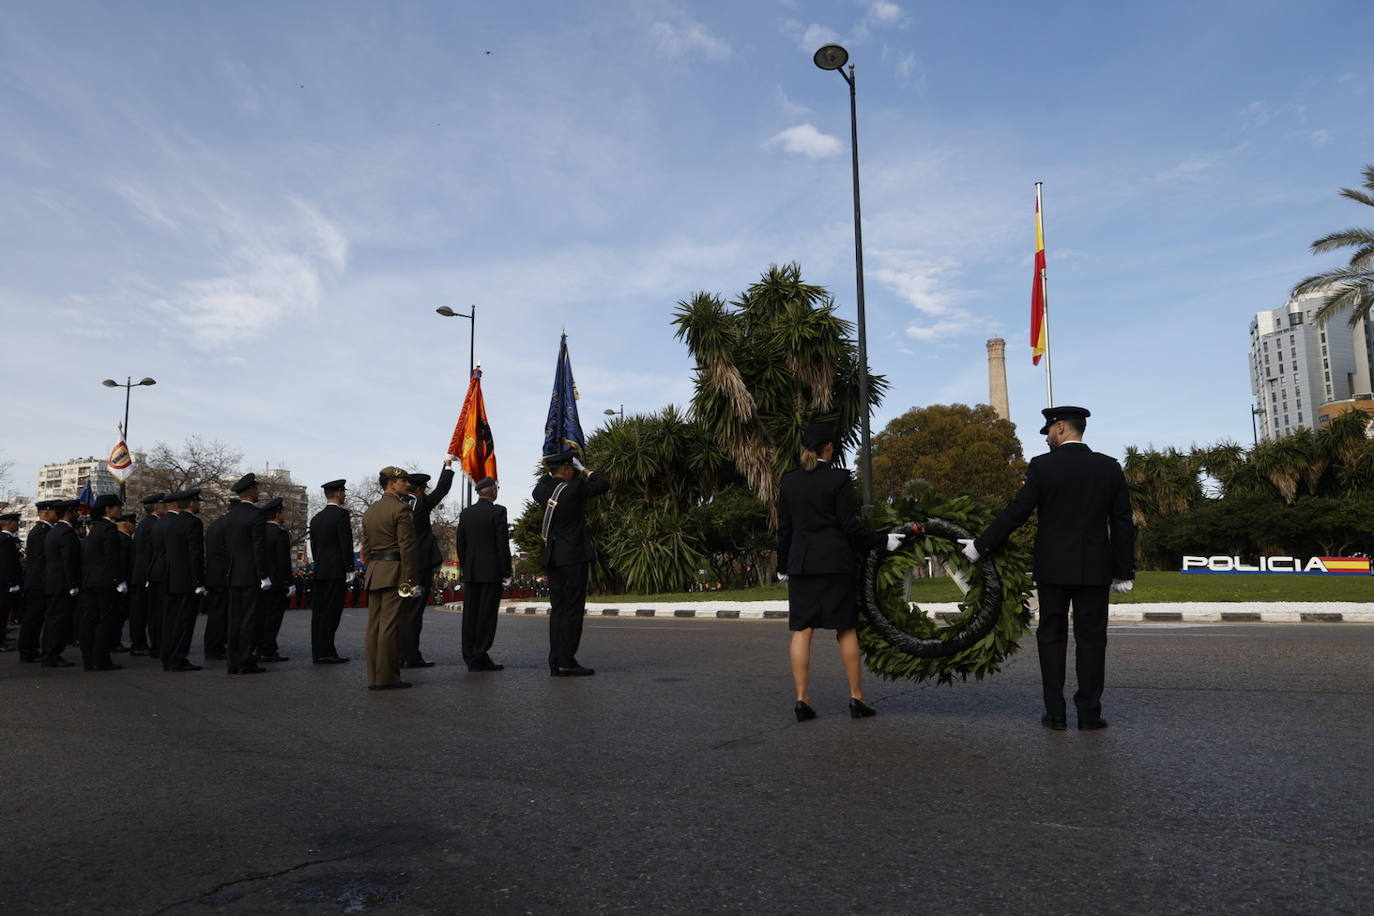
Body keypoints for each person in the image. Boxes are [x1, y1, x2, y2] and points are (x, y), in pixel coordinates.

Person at [965, 406, 1136, 732]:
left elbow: (1017, 512)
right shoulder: (1108, 467)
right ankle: (1088, 714)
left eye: (1048, 432)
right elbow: (1123, 523)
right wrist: (1124, 570)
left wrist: (981, 544)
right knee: (1092, 641)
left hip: (1053, 569)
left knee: (1051, 639)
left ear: (1059, 428)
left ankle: (1055, 714)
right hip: (1094, 569)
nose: (1047, 439)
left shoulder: (1043, 467)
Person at [777, 424, 902, 722]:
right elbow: (849, 525)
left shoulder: (789, 481)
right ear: (828, 449)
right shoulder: (839, 478)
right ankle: (857, 698)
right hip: (835, 562)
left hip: (802, 565)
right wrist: (883, 540)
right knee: (846, 628)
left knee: (802, 629)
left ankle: (801, 700)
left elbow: (785, 529)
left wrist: (783, 565)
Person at [532, 452, 609, 677]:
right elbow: (602, 484)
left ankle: (555, 659)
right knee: (573, 610)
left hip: (553, 557)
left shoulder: (542, 492)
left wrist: (555, 467)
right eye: (572, 469)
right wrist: (584, 469)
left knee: (558, 610)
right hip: (573, 557)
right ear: (566, 469)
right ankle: (567, 661)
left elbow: (544, 482)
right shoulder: (574, 490)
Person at [361, 466, 417, 690]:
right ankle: (387, 678)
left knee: (374, 626)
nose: (407, 485)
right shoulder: (402, 510)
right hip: (395, 572)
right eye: (403, 481)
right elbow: (407, 548)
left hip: (375, 571)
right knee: (390, 627)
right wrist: (410, 579)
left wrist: (369, 572)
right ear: (391, 483)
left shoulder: (370, 511)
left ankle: (374, 677)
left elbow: (366, 548)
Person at [400, 461, 453, 669]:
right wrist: (447, 467)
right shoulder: (420, 503)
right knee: (414, 612)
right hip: (420, 565)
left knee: (400, 611)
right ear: (421, 489)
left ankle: (398, 654)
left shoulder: (397, 504)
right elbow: (442, 490)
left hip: (399, 565)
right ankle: (411, 655)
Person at [457, 476, 512, 671]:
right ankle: (480, 655)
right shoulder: (498, 511)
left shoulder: (466, 513)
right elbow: (502, 544)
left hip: (471, 571)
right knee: (486, 615)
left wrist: (466, 568)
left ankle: (470, 654)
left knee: (470, 614)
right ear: (492, 491)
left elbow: (461, 545)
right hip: (491, 571)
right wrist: (506, 571)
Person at [222, 473, 271, 676]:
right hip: (250, 574)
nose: (258, 492)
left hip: (233, 573)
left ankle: (232, 662)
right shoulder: (257, 515)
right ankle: (246, 661)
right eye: (256, 488)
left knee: (234, 619)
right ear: (250, 490)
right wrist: (264, 575)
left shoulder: (230, 516)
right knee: (249, 619)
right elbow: (258, 548)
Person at [77, 494, 125, 671]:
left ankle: (88, 659)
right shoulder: (109, 528)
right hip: (105, 581)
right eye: (117, 507)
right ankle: (101, 659)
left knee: (89, 621)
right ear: (108, 509)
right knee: (105, 622)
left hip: (91, 580)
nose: (120, 510)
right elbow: (111, 557)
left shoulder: (95, 528)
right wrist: (118, 580)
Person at [308, 479, 352, 664]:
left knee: (318, 613)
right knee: (332, 613)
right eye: (343, 492)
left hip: (320, 570)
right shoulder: (341, 516)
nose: (344, 495)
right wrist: (350, 568)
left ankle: (319, 651)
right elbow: (345, 543)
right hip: (335, 570)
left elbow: (314, 547)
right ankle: (327, 651)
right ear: (338, 493)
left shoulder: (316, 518)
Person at [162, 489, 206, 672]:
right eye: (197, 502)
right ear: (191, 503)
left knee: (170, 620)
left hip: (170, 577)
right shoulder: (193, 523)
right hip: (186, 579)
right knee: (184, 621)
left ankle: (167, 656)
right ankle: (178, 658)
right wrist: (198, 581)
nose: (199, 505)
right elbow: (195, 554)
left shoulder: (169, 522)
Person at [41, 500, 83, 668]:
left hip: (52, 582)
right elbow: (69, 561)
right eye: (75, 511)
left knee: (52, 620)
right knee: (59, 621)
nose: (78, 514)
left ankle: (48, 652)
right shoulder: (66, 532)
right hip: (63, 583)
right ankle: (53, 655)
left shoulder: (53, 531)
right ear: (68, 512)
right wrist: (73, 583)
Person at [17, 501, 58, 662]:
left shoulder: (45, 530)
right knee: (33, 618)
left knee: (36, 618)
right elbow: (41, 560)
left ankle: (30, 649)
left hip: (38, 581)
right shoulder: (41, 532)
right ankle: (27, 651)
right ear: (46, 513)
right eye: (56, 511)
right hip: (38, 582)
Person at [128, 493, 165, 656]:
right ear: (157, 507)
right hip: (148, 575)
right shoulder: (154, 525)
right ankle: (151, 645)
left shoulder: (145, 524)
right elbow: (153, 552)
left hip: (140, 574)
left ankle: (139, 643)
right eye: (163, 504)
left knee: (140, 612)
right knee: (151, 612)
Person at [256, 498, 292, 663]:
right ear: (277, 514)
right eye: (282, 512)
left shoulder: (260, 531)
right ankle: (267, 649)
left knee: (262, 615)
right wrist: (289, 582)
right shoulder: (280, 533)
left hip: (262, 580)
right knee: (274, 618)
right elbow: (283, 561)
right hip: (277, 582)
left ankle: (261, 646)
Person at [202, 498, 232, 660]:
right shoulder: (228, 526)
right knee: (220, 615)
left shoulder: (215, 525)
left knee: (216, 614)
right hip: (223, 577)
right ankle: (215, 648)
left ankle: (214, 646)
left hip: (214, 575)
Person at [0, 512, 22, 652]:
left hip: (4, 583)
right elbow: (6, 564)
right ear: (8, 522)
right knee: (2, 612)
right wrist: (11, 583)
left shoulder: (6, 539)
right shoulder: (5, 540)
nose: (17, 524)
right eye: (15, 521)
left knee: (4, 612)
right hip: (4, 584)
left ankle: (2, 636)